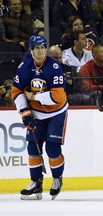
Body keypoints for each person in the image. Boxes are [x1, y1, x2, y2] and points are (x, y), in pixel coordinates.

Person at [11, 35, 68, 200]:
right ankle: (36, 183)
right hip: (36, 113)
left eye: (43, 47)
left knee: (52, 148)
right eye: (37, 48)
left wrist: (34, 97)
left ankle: (57, 178)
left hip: (56, 112)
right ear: (31, 49)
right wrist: (24, 112)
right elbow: (17, 91)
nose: (40, 50)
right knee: (33, 149)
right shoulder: (24, 67)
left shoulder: (54, 66)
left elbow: (58, 96)